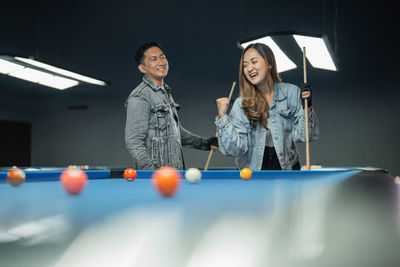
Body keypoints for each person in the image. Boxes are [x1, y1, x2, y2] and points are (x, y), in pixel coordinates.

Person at [215, 43, 319, 170]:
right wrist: (222, 117)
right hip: (253, 173)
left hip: (287, 169)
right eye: (245, 65)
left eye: (254, 62)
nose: (249, 68)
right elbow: (234, 150)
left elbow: (305, 136)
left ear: (269, 63)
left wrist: (307, 108)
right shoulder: (241, 104)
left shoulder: (292, 92)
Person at [125, 41, 217, 170]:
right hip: (155, 180)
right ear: (142, 68)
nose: (161, 62)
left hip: (175, 175)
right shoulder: (140, 97)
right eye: (154, 59)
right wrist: (151, 173)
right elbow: (134, 142)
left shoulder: (165, 93)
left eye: (162, 56)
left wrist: (205, 143)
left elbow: (176, 133)